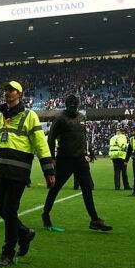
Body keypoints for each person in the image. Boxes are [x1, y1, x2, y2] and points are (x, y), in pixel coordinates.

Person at [0, 81, 55, 268]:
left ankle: (8, 253)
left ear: (19, 93)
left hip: (18, 172)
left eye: (11, 90)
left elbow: (40, 144)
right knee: (1, 210)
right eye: (5, 90)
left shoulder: (29, 116)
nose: (7, 93)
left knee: (9, 211)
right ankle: (24, 233)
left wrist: (49, 170)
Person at [41, 95, 113, 232]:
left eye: (76, 105)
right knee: (55, 188)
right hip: (65, 159)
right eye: (71, 105)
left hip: (80, 159)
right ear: (67, 105)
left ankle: (94, 220)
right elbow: (51, 138)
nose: (74, 107)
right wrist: (53, 158)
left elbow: (83, 137)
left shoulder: (81, 117)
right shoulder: (60, 118)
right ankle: (45, 214)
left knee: (87, 189)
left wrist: (87, 152)